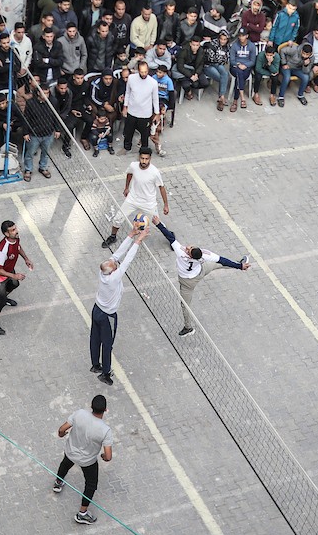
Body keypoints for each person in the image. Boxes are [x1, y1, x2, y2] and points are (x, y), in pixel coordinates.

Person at [152, 216, 250, 337]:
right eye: (190, 247)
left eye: (189, 249)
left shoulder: (180, 251)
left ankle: (188, 327)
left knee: (184, 305)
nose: (188, 247)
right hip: (201, 271)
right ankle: (240, 265)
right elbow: (223, 260)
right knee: (219, 264)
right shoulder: (205, 255)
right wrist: (238, 267)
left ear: (190, 254)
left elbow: (170, 237)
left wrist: (158, 224)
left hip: (187, 282)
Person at [90, 224, 148, 385]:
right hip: (108, 315)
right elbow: (127, 259)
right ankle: (105, 374)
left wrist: (130, 235)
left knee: (95, 338)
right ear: (113, 271)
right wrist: (139, 240)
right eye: (115, 265)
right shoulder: (114, 277)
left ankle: (95, 365)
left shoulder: (103, 271)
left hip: (96, 310)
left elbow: (117, 254)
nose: (116, 263)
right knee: (107, 345)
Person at [54, 394, 115, 526]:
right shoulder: (105, 430)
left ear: (91, 406)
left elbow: (61, 429)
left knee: (65, 464)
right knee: (91, 484)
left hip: (71, 451)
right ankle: (82, 513)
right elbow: (108, 456)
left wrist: (62, 434)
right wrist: (103, 457)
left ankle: (58, 482)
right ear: (105, 410)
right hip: (88, 460)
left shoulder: (80, 414)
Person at [103, 147, 168, 248]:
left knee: (157, 223)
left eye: (146, 159)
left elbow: (162, 188)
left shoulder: (155, 172)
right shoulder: (133, 166)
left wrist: (166, 205)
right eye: (142, 158)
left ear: (150, 158)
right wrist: (126, 188)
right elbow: (129, 174)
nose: (144, 161)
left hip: (148, 203)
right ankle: (112, 236)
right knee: (118, 218)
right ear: (139, 157)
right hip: (132, 199)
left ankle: (170, 237)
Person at [0, 219, 33, 336]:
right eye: (13, 230)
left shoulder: (15, 239)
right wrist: (14, 275)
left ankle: (4, 296)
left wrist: (26, 259)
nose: (16, 231)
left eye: (15, 228)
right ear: (6, 234)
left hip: (8, 271)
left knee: (15, 284)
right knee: (1, 302)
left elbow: (18, 247)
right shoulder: (2, 249)